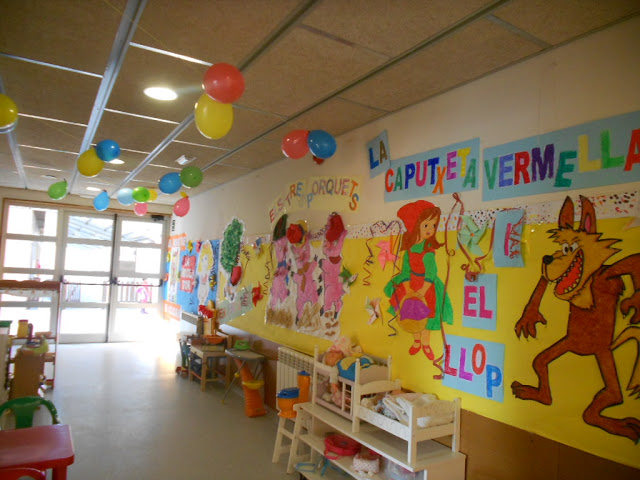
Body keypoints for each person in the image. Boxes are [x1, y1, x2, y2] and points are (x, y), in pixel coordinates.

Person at [384, 200, 453, 359]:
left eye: (433, 225)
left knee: (425, 317)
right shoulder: (409, 250)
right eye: (426, 225)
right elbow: (406, 271)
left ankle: (426, 343)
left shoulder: (428, 250)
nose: (430, 229)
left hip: (426, 287)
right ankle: (416, 341)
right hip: (411, 284)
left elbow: (432, 272)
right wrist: (408, 288)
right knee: (411, 315)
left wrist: (423, 290)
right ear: (416, 226)